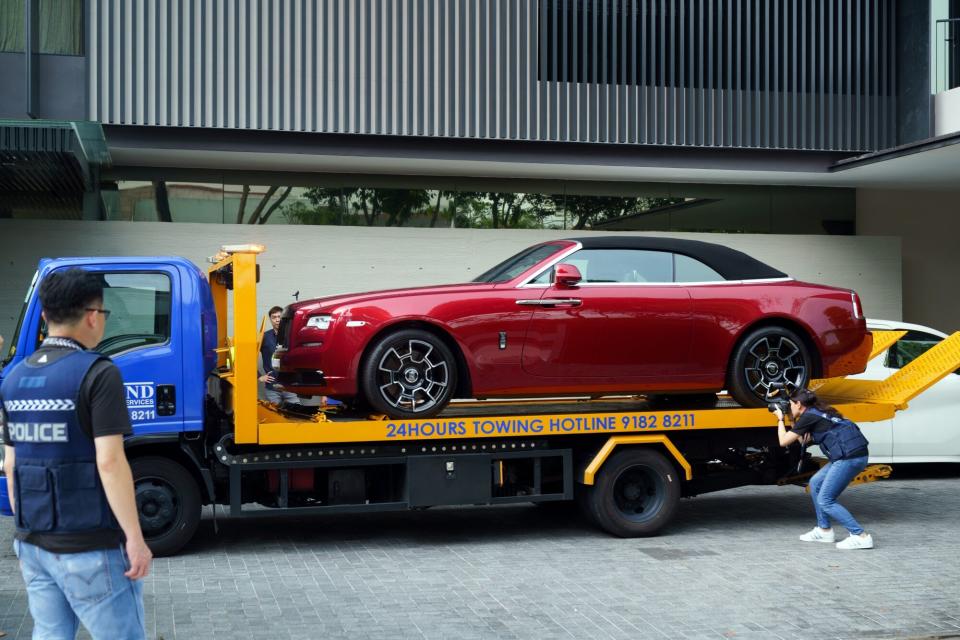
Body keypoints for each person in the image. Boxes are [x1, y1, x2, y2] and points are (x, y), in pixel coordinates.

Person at [1, 268, 152, 639]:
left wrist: (26, 532)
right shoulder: (98, 373)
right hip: (90, 547)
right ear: (92, 316)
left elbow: (10, 463)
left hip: (34, 545)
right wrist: (135, 537)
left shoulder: (14, 377)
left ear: (46, 315)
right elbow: (110, 461)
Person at [774, 388, 874, 550]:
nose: (789, 407)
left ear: (799, 404)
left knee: (826, 500)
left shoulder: (809, 416)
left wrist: (780, 419)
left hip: (848, 458)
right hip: (854, 454)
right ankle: (824, 530)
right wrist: (792, 419)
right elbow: (803, 442)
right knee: (815, 483)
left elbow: (783, 441)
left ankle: (860, 536)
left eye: (791, 404)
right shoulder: (818, 411)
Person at [260, 305, 298, 405]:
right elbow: (247, 357)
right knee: (275, 415)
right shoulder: (264, 337)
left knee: (297, 414)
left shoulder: (293, 336)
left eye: (279, 317)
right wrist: (259, 377)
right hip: (272, 388)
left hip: (290, 386)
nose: (277, 320)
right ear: (270, 320)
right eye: (274, 317)